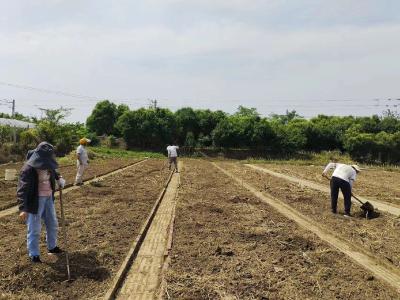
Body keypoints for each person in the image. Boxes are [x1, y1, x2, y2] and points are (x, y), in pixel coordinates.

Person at [17, 142, 66, 263]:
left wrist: (59, 178)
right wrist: (23, 208)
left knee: (53, 223)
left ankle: (52, 247)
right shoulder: (28, 169)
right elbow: (22, 190)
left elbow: (54, 171)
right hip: (35, 201)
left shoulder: (48, 163)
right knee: (34, 228)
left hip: (49, 198)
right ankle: (34, 254)